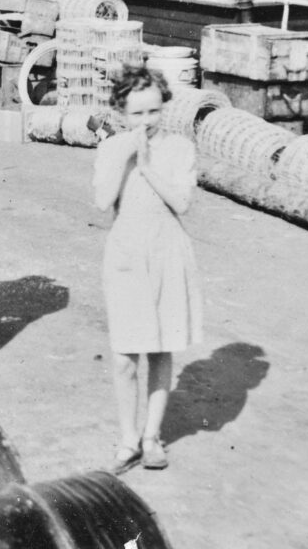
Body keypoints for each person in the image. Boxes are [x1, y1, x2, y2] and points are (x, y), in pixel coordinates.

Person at [92, 65, 203, 474]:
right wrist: (125, 155)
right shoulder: (111, 148)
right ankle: (128, 439)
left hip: (167, 251)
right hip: (126, 254)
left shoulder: (180, 148)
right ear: (121, 113)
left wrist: (148, 166)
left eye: (154, 111)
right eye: (136, 114)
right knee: (124, 355)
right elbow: (102, 201)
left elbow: (182, 203)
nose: (146, 121)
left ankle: (152, 437)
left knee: (159, 348)